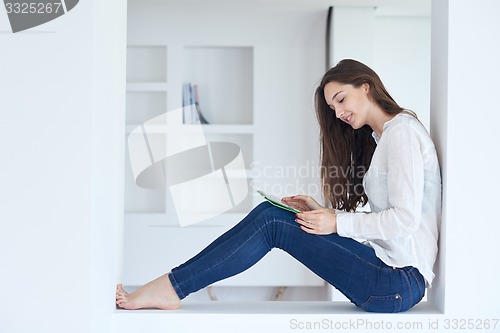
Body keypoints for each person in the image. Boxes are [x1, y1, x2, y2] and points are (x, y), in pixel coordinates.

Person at [116, 59, 441, 313]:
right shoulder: (384, 138)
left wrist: (336, 223)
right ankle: (172, 286)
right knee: (273, 214)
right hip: (391, 274)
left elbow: (405, 220)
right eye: (333, 108)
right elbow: (392, 219)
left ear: (366, 87)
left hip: (398, 281)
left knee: (272, 220)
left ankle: (171, 288)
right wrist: (325, 214)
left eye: (341, 99)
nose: (339, 113)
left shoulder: (402, 133)